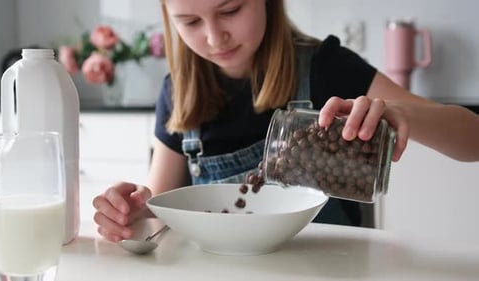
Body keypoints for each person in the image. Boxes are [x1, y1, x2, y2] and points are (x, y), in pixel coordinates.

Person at [93, 0, 479, 242]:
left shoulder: (327, 68)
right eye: (190, 21)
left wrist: (404, 113)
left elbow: (472, 139)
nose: (215, 37)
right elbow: (160, 211)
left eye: (230, 10)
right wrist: (132, 213)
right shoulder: (178, 92)